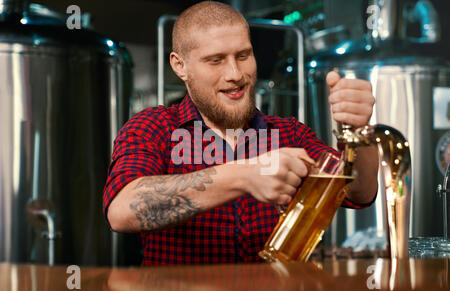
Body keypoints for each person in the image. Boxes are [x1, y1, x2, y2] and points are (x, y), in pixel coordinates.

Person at [103, 1, 378, 266]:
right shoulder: (154, 127)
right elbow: (123, 211)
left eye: (243, 55)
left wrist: (360, 131)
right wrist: (246, 175)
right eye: (215, 60)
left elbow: (358, 192)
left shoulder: (288, 133)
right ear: (180, 66)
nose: (235, 74)